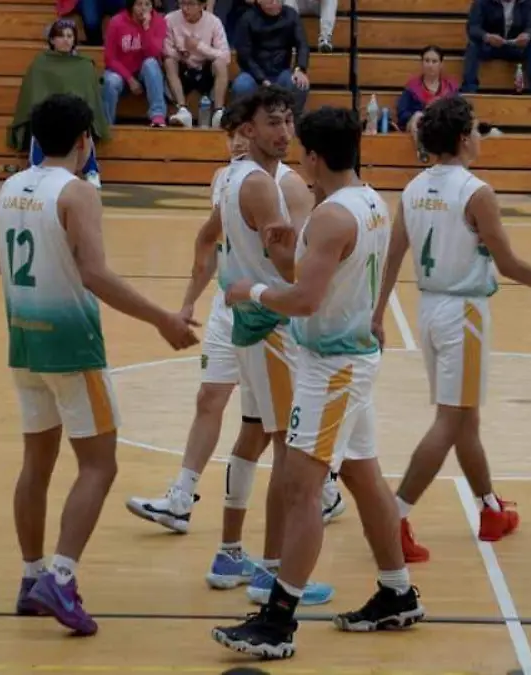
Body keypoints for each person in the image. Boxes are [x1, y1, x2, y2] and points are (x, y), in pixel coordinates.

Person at [0, 93, 200, 635]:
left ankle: (31, 577)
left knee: (37, 464)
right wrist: (162, 319)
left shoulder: (8, 188)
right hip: (72, 347)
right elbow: (95, 274)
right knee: (99, 465)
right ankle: (61, 577)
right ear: (85, 141)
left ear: (34, 139)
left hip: (24, 344)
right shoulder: (77, 192)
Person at [211, 106, 424, 659]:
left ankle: (278, 622)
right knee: (363, 477)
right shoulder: (370, 201)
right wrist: (290, 246)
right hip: (350, 359)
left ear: (313, 157)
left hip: (332, 367)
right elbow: (325, 272)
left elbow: (304, 299)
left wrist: (251, 291)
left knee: (300, 490)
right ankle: (397, 592)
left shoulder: (331, 217)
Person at [125, 92, 343, 605]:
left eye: (288, 122)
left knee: (257, 435)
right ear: (247, 130)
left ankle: (232, 552)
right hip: (270, 324)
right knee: (287, 448)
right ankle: (273, 570)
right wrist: (327, 259)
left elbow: (216, 239)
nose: (284, 132)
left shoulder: (235, 179)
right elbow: (290, 267)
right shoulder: (267, 185)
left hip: (247, 319)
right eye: (273, 123)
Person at [372, 96, 531, 563]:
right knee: (451, 421)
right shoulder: (476, 192)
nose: (480, 135)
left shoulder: (413, 188)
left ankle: (490, 508)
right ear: (462, 138)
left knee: (464, 418)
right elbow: (508, 264)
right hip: (463, 313)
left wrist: (376, 314)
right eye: (475, 129)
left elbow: (392, 256)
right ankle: (393, 516)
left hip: (430, 309)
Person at [9, 19, 108, 189]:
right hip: (48, 114)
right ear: (52, 40)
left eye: (69, 36)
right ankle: (36, 170)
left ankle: (91, 170)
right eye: (61, 36)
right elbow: (33, 95)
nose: (66, 40)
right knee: (40, 124)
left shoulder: (84, 64)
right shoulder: (40, 63)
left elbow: (89, 97)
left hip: (74, 115)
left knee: (83, 126)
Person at [231, 0, 311, 118]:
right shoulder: (247, 18)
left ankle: (292, 121)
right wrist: (262, 79)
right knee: (241, 86)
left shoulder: (291, 15)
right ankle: (244, 122)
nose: (274, 3)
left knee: (300, 84)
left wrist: (300, 69)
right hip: (253, 74)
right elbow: (244, 56)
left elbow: (302, 44)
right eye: (270, 0)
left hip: (281, 72)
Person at [163, 0, 231, 128]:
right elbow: (165, 49)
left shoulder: (214, 22)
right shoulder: (170, 19)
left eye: (190, 4)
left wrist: (199, 46)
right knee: (169, 61)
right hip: (182, 66)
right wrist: (182, 53)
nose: (185, 8)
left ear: (202, 5)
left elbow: (226, 56)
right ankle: (182, 109)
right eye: (182, 3)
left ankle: (218, 112)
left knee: (220, 64)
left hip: (205, 68)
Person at [102, 0, 169, 127]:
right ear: (132, 6)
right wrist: (129, 79)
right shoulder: (117, 22)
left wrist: (146, 28)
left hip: (144, 73)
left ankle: (158, 116)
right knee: (110, 81)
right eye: (139, 4)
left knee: (151, 63)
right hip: (121, 72)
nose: (143, 8)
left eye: (147, 4)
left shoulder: (159, 21)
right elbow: (109, 58)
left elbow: (154, 53)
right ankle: (105, 125)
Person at [396, 45, 459, 163]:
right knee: (417, 116)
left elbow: (458, 111)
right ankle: (421, 150)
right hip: (418, 125)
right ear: (422, 63)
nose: (430, 65)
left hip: (443, 124)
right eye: (427, 61)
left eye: (434, 61)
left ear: (441, 64)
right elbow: (402, 113)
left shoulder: (451, 87)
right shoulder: (411, 87)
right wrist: (421, 114)